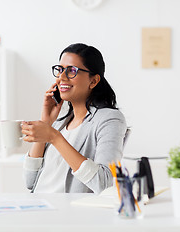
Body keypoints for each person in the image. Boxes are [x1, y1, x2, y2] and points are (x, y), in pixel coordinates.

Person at [21, 43, 127, 194]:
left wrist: (54, 137)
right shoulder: (59, 123)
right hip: (40, 206)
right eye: (60, 70)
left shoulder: (109, 119)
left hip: (67, 213)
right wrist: (46, 122)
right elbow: (30, 182)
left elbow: (104, 183)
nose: (61, 77)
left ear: (93, 81)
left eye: (72, 71)